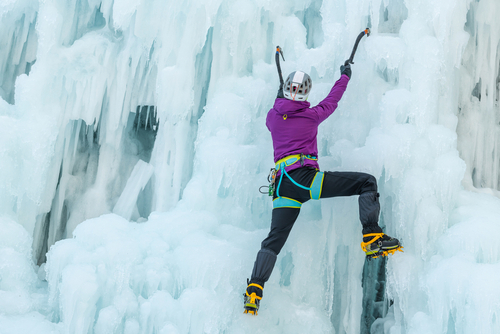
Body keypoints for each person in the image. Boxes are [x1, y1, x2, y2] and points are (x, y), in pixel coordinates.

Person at [243, 58, 402, 315]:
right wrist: (345, 75)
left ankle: (254, 289)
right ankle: (371, 235)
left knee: (272, 242)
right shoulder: (311, 115)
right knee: (367, 182)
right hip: (306, 180)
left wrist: (280, 95)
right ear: (305, 92)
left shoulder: (271, 118)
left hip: (283, 187)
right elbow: (333, 100)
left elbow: (279, 108)